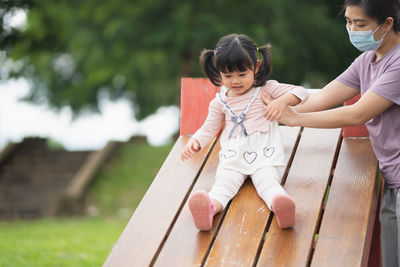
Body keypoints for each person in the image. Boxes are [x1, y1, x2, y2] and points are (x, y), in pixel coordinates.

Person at [262, 0, 400, 265]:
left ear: (388, 23)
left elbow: (356, 113)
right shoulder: (366, 61)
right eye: (348, 22)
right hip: (392, 181)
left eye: (360, 24)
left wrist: (294, 120)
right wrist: (278, 104)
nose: (352, 30)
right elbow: (323, 96)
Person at [180, 34, 309, 231]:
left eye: (242, 74)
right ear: (219, 72)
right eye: (228, 76)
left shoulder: (266, 89)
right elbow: (210, 126)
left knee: (268, 183)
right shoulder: (220, 101)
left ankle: (281, 205)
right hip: (234, 158)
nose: (235, 81)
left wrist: (282, 101)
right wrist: (196, 140)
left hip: (264, 156)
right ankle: (209, 208)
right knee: (223, 185)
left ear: (256, 67)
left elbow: (302, 93)